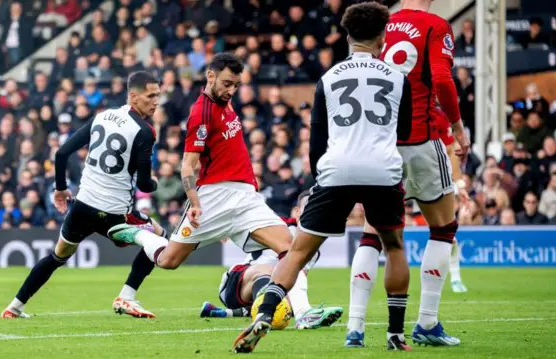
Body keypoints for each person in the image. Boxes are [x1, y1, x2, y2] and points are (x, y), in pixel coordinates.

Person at [232, 2, 413, 352]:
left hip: (337, 169)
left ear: (346, 36)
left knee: (297, 252)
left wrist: (321, 178)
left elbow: (317, 141)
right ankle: (395, 335)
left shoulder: (328, 78)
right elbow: (403, 131)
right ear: (383, 37)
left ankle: (265, 314)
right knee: (393, 248)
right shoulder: (397, 78)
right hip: (381, 169)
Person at [107, 53, 308, 311]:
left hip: (245, 196)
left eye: (236, 85)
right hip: (214, 195)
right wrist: (195, 203)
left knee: (289, 248)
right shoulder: (201, 113)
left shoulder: (226, 102)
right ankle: (141, 234)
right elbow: (188, 165)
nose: (231, 90)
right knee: (169, 259)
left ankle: (304, 314)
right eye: (226, 83)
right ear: (210, 76)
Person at [346, 0, 470, 347]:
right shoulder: (435, 25)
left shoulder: (382, 24)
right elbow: (443, 80)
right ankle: (427, 322)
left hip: (379, 144)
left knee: (375, 232)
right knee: (444, 227)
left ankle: (355, 327)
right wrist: (458, 128)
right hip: (420, 139)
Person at [1, 71, 162, 319]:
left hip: (81, 207)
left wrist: (60, 188)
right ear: (133, 96)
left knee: (57, 257)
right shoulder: (144, 131)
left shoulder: (102, 117)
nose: (155, 102)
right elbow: (143, 183)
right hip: (114, 215)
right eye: (151, 96)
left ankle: (14, 307)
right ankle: (127, 297)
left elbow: (61, 154)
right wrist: (154, 183)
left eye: (158, 96)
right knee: (159, 236)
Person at [200, 191, 344, 329]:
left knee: (287, 298)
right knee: (283, 268)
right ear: (297, 211)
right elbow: (243, 220)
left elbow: (292, 285)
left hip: (267, 290)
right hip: (239, 282)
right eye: (308, 207)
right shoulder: (280, 225)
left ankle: (229, 313)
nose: (313, 211)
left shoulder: (313, 250)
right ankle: (303, 314)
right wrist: (224, 229)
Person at [436, 107, 468, 293]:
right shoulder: (398, 109)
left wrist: (460, 184)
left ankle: (455, 277)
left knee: (448, 236)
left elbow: (451, 150)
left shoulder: (439, 116)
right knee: (389, 237)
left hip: (433, 183)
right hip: (403, 178)